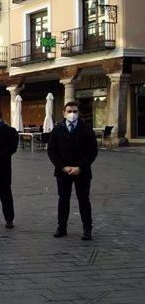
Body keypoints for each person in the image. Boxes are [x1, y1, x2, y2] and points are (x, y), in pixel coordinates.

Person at [47, 101, 98, 240]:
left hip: (82, 172)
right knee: (63, 200)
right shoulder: (57, 129)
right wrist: (62, 167)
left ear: (79, 112)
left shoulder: (86, 129)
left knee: (84, 200)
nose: (72, 114)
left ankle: (87, 229)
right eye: (69, 111)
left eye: (75, 111)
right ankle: (61, 227)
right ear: (64, 113)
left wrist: (80, 167)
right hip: (63, 172)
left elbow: (92, 151)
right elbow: (51, 151)